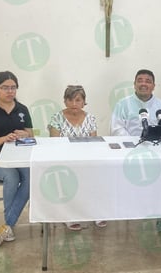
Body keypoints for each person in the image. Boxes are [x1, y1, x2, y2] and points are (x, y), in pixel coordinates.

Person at [0, 71, 33, 247]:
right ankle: (8, 225)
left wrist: (25, 133)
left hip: (18, 157)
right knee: (12, 176)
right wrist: (4, 138)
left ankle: (7, 225)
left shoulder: (22, 109)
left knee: (31, 176)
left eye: (13, 87)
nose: (10, 91)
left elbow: (31, 135)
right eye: (5, 88)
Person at [47, 85, 107, 231]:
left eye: (78, 100)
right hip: (64, 160)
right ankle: (69, 215)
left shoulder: (90, 118)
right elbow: (54, 144)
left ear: (84, 102)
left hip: (86, 160)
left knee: (99, 174)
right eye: (70, 100)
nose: (74, 104)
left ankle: (96, 212)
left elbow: (94, 143)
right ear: (65, 101)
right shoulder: (57, 118)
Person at [110, 69, 161, 137]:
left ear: (153, 86)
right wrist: (133, 142)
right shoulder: (122, 104)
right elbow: (117, 129)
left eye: (148, 81)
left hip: (157, 145)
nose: (143, 84)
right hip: (130, 145)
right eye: (140, 81)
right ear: (134, 85)